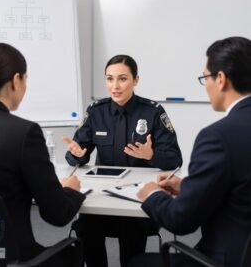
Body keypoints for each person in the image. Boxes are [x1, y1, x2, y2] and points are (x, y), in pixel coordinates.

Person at [0, 43, 86, 263]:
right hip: (13, 259)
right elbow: (57, 214)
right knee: (73, 252)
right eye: (26, 79)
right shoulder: (24, 133)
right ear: (16, 80)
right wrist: (70, 190)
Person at [129, 36, 251, 267]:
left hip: (226, 259)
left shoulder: (217, 137)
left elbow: (181, 221)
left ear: (221, 79)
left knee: (137, 263)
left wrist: (152, 194)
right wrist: (187, 186)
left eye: (205, 77)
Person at [63, 54, 182, 267]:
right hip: (102, 196)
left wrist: (151, 155)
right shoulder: (96, 111)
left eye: (122, 79)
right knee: (87, 225)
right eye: (109, 79)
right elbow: (77, 152)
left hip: (134, 200)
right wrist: (77, 155)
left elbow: (175, 159)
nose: (115, 86)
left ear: (135, 80)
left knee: (132, 231)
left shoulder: (153, 112)